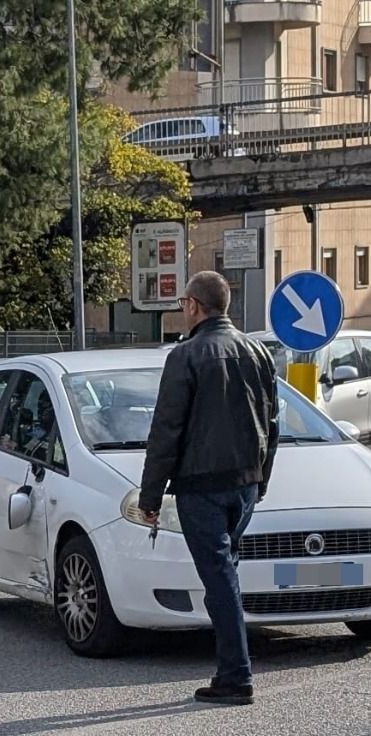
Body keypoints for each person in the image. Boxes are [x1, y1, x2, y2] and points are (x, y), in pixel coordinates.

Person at [139, 271, 279, 706]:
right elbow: (273, 423)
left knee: (219, 580)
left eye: (183, 303)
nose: (182, 311)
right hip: (246, 486)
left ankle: (236, 676)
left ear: (194, 306)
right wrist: (262, 479)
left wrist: (149, 497)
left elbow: (166, 431)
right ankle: (232, 670)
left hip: (202, 487)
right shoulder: (258, 352)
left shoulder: (187, 355)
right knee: (226, 574)